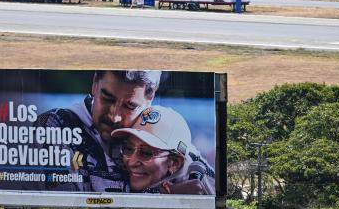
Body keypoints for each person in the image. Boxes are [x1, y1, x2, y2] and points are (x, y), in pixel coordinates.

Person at [33, 70, 162, 192]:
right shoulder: (56, 124)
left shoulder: (159, 135)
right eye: (107, 99)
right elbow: (66, 202)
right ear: (95, 83)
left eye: (130, 106)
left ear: (150, 99)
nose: (114, 116)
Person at [111, 105, 215, 194]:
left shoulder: (200, 189)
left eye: (146, 153)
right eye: (128, 148)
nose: (132, 162)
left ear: (175, 163)